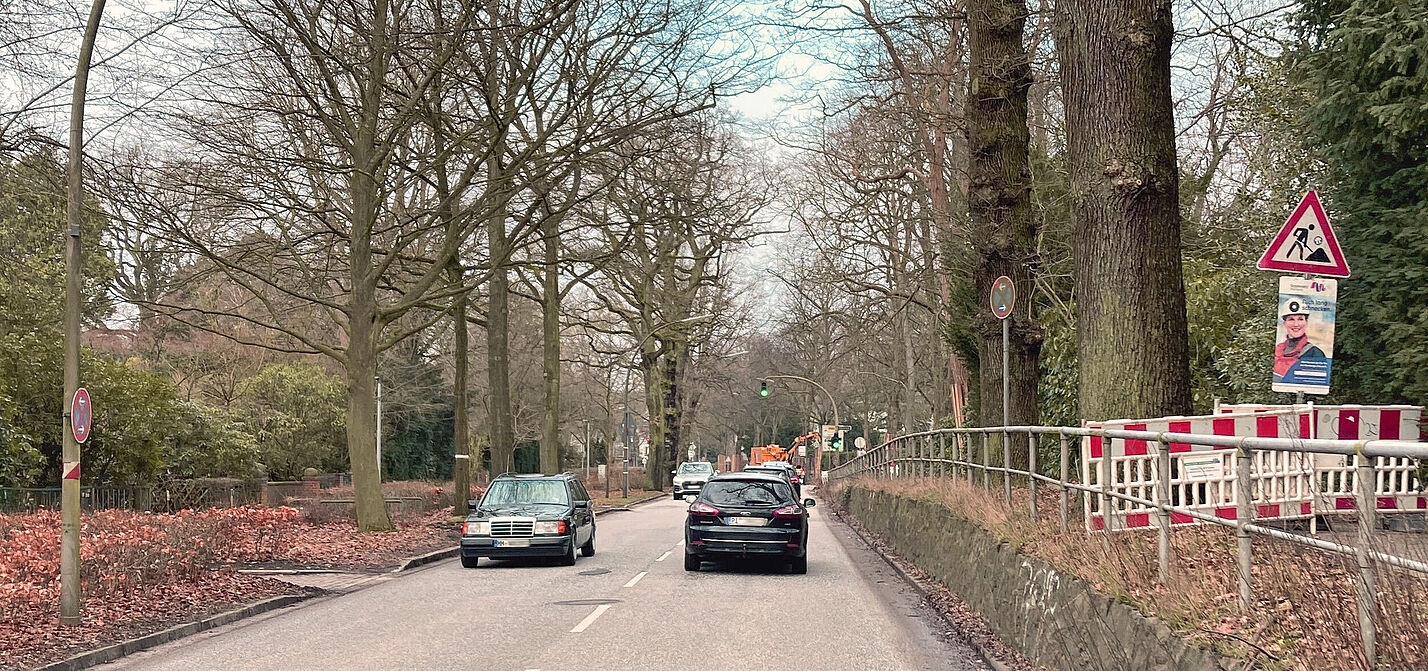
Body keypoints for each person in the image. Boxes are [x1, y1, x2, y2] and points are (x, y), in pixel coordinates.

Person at [1274, 300, 1325, 380]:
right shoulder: (1277, 350)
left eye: (1300, 319)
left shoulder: (1315, 353)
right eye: (1291, 319)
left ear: (1306, 322)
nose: (1296, 324)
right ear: (1284, 323)